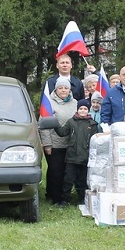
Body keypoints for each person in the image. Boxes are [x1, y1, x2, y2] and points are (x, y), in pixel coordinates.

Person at [55, 98, 100, 206]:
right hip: (72, 156)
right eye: (80, 108)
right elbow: (62, 132)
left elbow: (96, 140)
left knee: (82, 180)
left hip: (85, 157)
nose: (83, 111)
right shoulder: (71, 121)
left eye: (85, 109)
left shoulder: (93, 124)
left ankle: (82, 199)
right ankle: (65, 199)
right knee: (68, 179)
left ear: (88, 110)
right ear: (77, 110)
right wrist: (54, 123)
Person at [40, 76, 78, 204]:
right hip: (54, 144)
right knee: (55, 171)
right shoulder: (48, 103)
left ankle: (65, 196)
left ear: (69, 89)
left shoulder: (75, 103)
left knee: (67, 172)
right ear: (56, 90)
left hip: (70, 144)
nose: (63, 90)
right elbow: (44, 125)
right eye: (60, 88)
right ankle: (54, 197)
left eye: (66, 88)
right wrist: (47, 144)